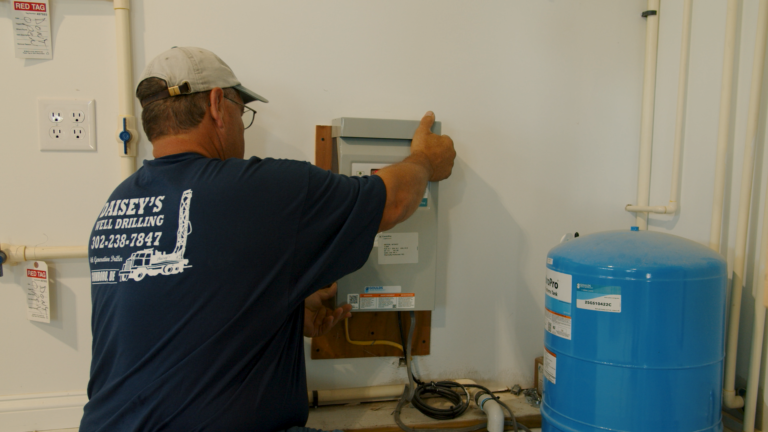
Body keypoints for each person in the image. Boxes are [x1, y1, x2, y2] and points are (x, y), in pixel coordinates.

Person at [80, 46, 455, 432]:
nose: (243, 127)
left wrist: (281, 306)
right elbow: (393, 201)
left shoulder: (118, 206)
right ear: (215, 104)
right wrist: (426, 160)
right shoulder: (260, 191)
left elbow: (179, 309)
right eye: (241, 112)